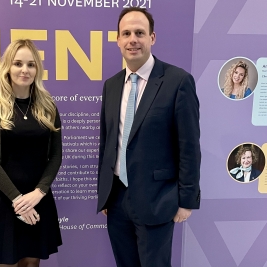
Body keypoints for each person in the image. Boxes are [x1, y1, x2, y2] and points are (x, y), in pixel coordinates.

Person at [97, 7, 201, 267]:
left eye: (140, 33)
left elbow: (189, 146)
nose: (133, 39)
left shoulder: (178, 81)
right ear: (118, 39)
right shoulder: (111, 85)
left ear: (152, 38)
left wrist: (186, 201)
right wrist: (106, 194)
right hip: (118, 200)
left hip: (158, 200)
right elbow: (107, 142)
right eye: (127, 33)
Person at [0, 39, 62, 267]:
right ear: (7, 67)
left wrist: (39, 193)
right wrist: (18, 200)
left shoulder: (48, 107)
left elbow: (55, 156)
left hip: (38, 199)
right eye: (18, 63)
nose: (25, 70)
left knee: (32, 264)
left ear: (37, 69)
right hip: (5, 199)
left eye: (31, 64)